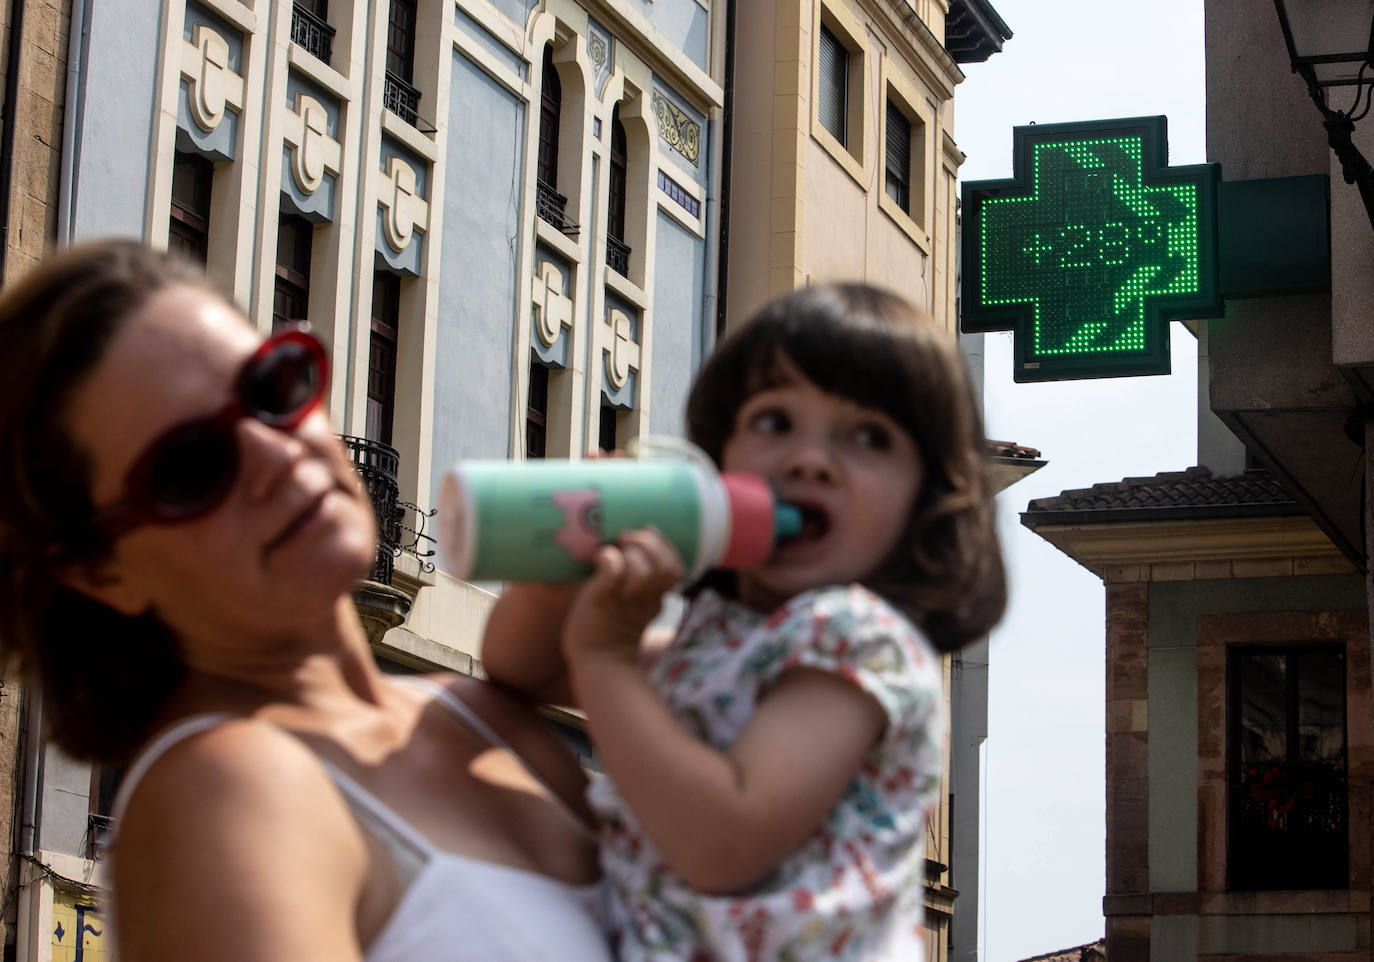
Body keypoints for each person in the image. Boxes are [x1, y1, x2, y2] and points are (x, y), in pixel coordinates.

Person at [0, 239, 615, 962]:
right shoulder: (224, 794)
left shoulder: (489, 717)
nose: (278, 454)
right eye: (193, 465)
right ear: (100, 572)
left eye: (273, 387)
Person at [482, 282, 1007, 961]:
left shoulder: (863, 643)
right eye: (774, 422)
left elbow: (722, 842)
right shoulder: (717, 640)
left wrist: (608, 659)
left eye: (869, 437)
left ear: (923, 502)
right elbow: (521, 668)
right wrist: (576, 555)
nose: (809, 458)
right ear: (718, 456)